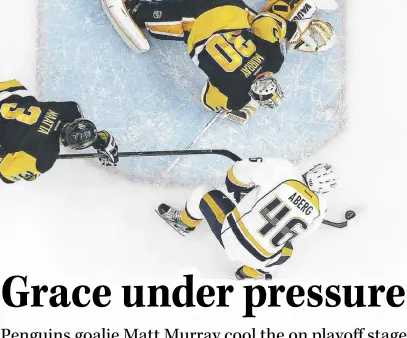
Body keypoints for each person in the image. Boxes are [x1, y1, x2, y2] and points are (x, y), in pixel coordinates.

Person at [70, 0, 337, 125]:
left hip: (231, 5)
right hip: (194, 18)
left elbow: (266, 24)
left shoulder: (275, 61)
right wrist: (242, 107)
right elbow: (209, 101)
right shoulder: (233, 94)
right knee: (134, 11)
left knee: (262, 23)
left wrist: (290, 31)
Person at [157, 157, 337, 280]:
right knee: (287, 249)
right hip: (261, 259)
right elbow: (300, 236)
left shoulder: (285, 170)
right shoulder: (321, 208)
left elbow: (237, 173)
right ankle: (248, 273)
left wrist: (239, 190)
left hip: (231, 237)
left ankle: (184, 223)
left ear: (312, 170)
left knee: (203, 193)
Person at [0, 80, 119, 184]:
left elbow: (76, 123)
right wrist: (32, 173)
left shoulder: (70, 108)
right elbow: (5, 174)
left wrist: (99, 139)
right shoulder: (44, 157)